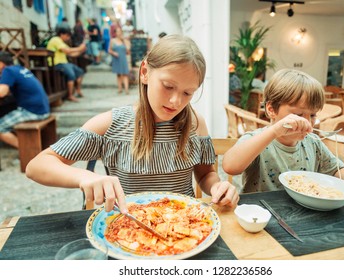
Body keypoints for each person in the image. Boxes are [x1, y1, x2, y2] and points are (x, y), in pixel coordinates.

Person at [26, 34, 240, 213]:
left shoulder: (195, 123)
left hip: (184, 225)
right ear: (145, 72)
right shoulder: (111, 124)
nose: (176, 101)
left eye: (187, 93)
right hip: (130, 227)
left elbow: (205, 174)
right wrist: (84, 177)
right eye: (167, 86)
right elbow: (37, 166)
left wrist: (217, 187)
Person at [222, 68, 344, 203]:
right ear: (271, 109)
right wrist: (274, 131)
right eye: (298, 114)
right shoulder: (258, 140)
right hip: (259, 214)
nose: (306, 121)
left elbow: (335, 168)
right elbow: (230, 166)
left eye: (312, 115)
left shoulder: (313, 142)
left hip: (302, 211)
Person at [0, 51, 50, 148]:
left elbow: (2, 92)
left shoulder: (8, 71)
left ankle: (27, 150)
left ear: (1, 63)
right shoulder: (19, 68)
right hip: (42, 108)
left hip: (33, 111)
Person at [47, 28, 86, 102]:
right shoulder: (56, 40)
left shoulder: (62, 42)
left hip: (65, 63)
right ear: (61, 34)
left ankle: (77, 90)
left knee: (80, 72)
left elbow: (71, 54)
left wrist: (81, 51)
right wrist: (79, 48)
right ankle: (70, 95)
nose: (68, 38)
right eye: (67, 36)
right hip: (57, 63)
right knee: (71, 75)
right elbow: (67, 50)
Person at [108, 27, 130, 94]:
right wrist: (113, 53)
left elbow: (128, 51)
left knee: (125, 74)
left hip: (123, 59)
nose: (119, 33)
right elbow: (109, 50)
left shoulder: (124, 40)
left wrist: (124, 41)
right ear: (115, 33)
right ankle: (119, 88)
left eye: (120, 31)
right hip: (116, 59)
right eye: (117, 31)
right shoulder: (112, 40)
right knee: (118, 74)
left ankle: (126, 89)